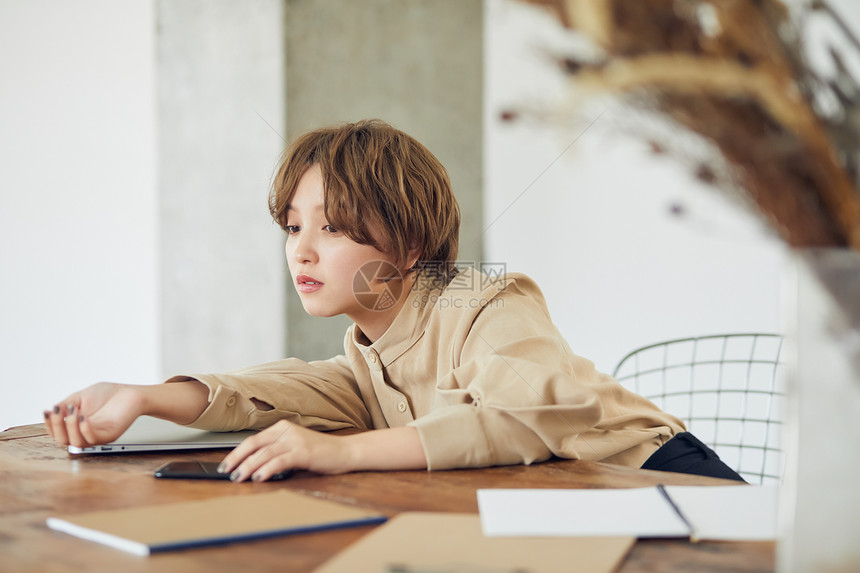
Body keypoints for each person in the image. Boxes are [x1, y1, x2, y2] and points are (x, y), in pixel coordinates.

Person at [44, 119, 743, 483]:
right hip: (561, 510)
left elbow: (527, 419)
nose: (302, 250)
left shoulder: (482, 295)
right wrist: (141, 395)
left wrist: (338, 455)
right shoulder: (368, 346)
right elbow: (294, 391)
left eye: (335, 227)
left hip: (658, 482)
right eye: (294, 226)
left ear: (408, 244)